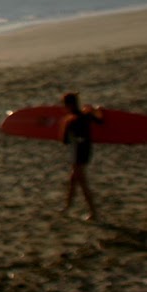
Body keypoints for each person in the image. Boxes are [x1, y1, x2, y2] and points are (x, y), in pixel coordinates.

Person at [59, 91, 103, 220]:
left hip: (77, 152)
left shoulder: (70, 120)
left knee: (82, 182)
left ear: (69, 105)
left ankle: (93, 212)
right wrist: (96, 110)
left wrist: (64, 125)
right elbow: (100, 120)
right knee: (73, 180)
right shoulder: (86, 115)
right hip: (86, 150)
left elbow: (65, 141)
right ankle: (67, 207)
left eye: (64, 104)